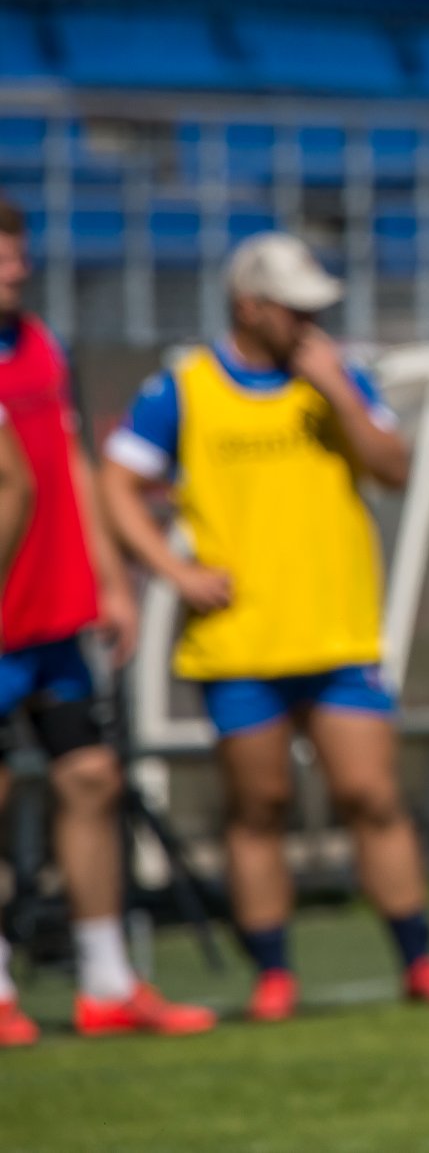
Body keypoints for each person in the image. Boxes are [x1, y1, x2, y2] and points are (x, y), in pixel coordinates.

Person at [100, 232, 429, 1023]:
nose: (311, 321)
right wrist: (173, 572)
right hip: (238, 642)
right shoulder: (184, 388)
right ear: (250, 307)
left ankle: (421, 959)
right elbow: (118, 479)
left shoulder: (340, 378)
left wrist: (337, 391)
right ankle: (274, 973)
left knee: (371, 794)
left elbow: (394, 467)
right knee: (259, 806)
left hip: (339, 632)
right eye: (294, 308)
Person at [0, 202, 215, 1044]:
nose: (16, 267)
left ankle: (107, 980)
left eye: (18, 251)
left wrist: (110, 579)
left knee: (92, 776)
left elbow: (74, 459)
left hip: (53, 612)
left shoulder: (42, 344)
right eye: (1, 254)